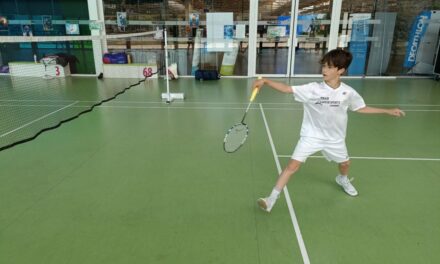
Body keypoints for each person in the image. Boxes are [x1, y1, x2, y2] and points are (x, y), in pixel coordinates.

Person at [253, 49, 405, 213]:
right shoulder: (313, 88)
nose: (324, 70)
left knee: (345, 163)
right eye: (324, 66)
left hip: (335, 139)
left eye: (330, 67)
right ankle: (271, 199)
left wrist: (387, 111)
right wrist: (267, 81)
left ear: (341, 70)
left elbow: (361, 108)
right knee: (292, 166)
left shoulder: (348, 92)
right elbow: (287, 89)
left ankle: (343, 179)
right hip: (311, 136)